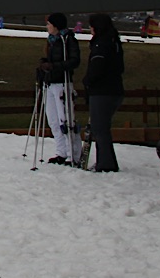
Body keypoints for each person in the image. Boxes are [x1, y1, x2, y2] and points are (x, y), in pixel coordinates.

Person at [81, 13, 124, 172]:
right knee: (102, 127)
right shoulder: (114, 42)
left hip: (102, 91)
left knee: (99, 128)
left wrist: (87, 81)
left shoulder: (101, 44)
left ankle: (106, 164)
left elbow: (97, 68)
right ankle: (106, 160)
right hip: (114, 89)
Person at [38, 12, 81, 165]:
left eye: (49, 24)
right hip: (50, 82)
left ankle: (73, 154)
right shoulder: (52, 40)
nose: (47, 27)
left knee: (66, 119)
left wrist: (54, 66)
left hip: (62, 83)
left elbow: (74, 61)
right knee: (53, 120)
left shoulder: (67, 39)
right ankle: (61, 151)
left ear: (56, 25)